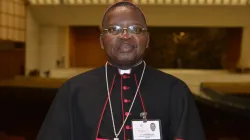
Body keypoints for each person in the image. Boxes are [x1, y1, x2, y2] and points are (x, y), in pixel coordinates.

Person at [36, 1, 206, 140]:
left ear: (147, 40)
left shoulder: (174, 90)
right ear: (102, 41)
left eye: (135, 29)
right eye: (114, 29)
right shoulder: (73, 90)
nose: (125, 36)